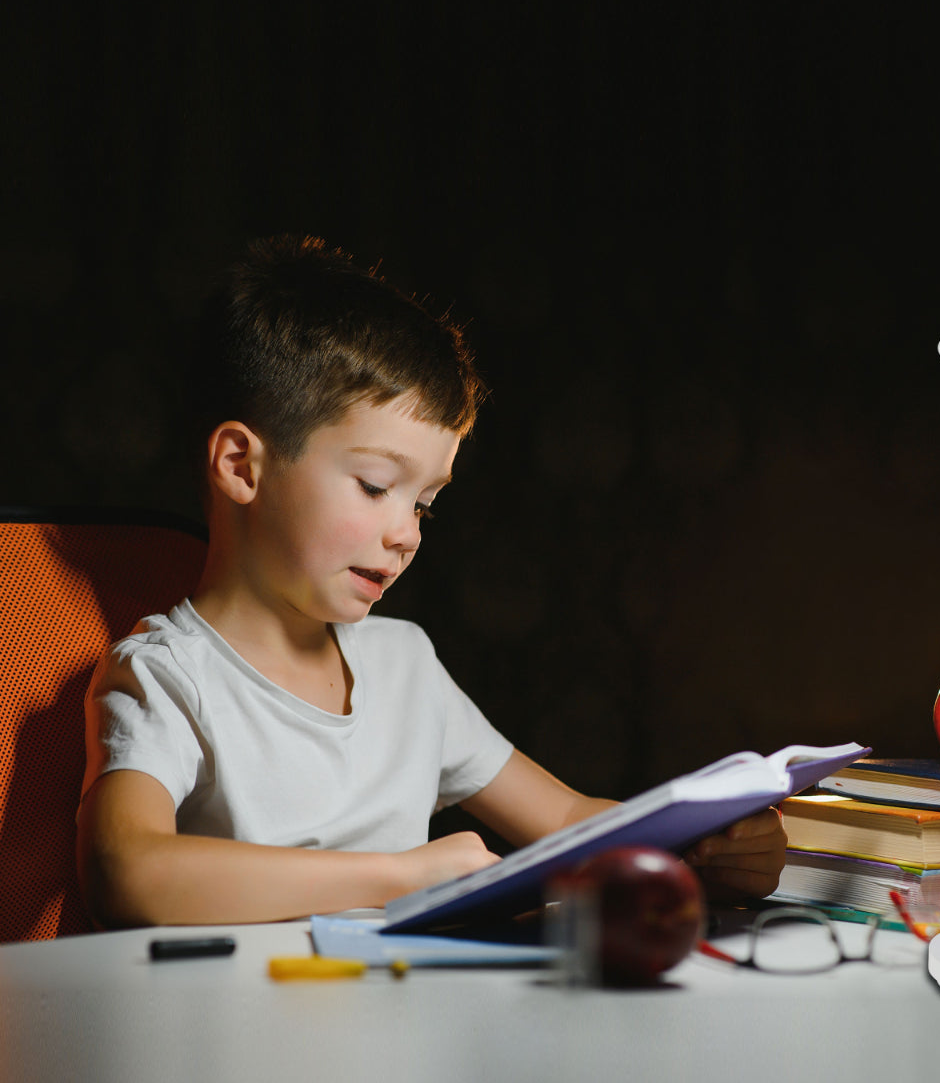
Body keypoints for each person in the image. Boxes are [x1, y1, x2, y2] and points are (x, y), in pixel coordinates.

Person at [76, 235, 786, 929]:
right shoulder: (168, 674)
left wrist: (702, 848)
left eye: (424, 504)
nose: (407, 532)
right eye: (376, 485)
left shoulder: (402, 662)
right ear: (241, 465)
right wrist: (400, 878)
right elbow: (128, 871)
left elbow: (566, 818)